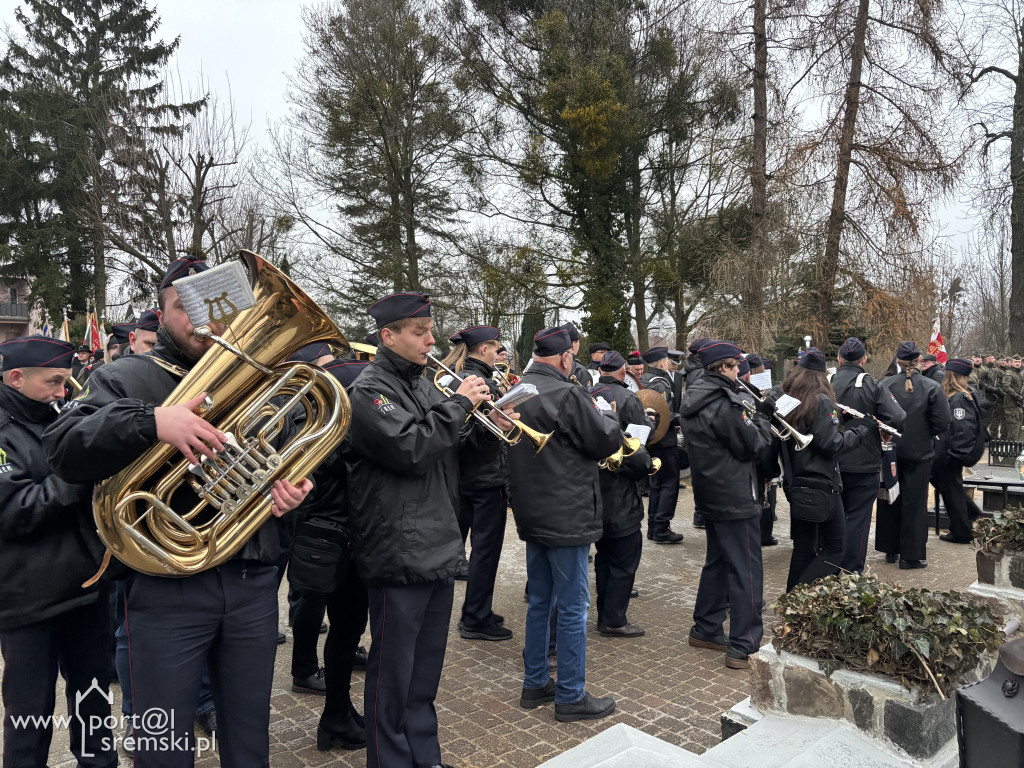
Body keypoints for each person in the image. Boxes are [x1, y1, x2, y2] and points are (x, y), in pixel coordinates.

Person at [44, 257, 314, 767]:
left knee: (250, 734)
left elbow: (290, 457)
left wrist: (292, 493)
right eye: (185, 307)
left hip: (252, 580)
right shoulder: (125, 376)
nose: (205, 320)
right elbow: (62, 448)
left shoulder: (264, 379)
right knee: (162, 745)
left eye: (218, 307)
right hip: (163, 587)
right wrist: (150, 421)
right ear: (162, 313)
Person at [344, 292, 508, 768]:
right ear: (388, 335)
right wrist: (459, 405)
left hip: (436, 543)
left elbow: (454, 455)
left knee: (424, 673)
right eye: (420, 332)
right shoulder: (370, 390)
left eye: (430, 331)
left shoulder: (428, 385)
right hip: (397, 547)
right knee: (393, 674)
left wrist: (486, 425)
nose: (431, 340)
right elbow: (411, 447)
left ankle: (424, 755)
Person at [0, 336, 115, 768]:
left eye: (66, 381)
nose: (63, 392)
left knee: (96, 713)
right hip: (28, 603)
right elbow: (13, 509)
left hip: (85, 590)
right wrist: (84, 474)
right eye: (54, 381)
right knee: (28, 720)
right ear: (16, 378)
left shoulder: (57, 415)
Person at [511, 327, 621, 721]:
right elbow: (606, 440)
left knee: (541, 601)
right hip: (568, 513)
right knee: (574, 606)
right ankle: (571, 696)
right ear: (564, 358)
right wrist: (606, 412)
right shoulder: (569, 393)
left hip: (533, 512)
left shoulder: (518, 390)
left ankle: (536, 682)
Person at [682, 340, 773, 670]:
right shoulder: (725, 402)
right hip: (736, 493)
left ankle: (705, 627)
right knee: (747, 569)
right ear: (722, 368)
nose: (739, 372)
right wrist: (761, 419)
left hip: (712, 491)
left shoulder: (695, 395)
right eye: (735, 366)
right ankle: (744, 644)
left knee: (719, 560)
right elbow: (754, 446)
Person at [300, 356, 372, 751]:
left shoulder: (323, 432)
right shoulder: (335, 439)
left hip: (335, 540)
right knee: (345, 632)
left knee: (346, 632)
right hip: (341, 542)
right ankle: (336, 716)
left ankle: (339, 711)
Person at [441, 325, 513, 642]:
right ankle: (475, 617)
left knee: (462, 548)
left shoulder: (454, 376)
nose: (500, 354)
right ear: (483, 349)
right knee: (485, 552)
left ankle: (474, 609)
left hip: (462, 478)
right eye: (496, 349)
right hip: (486, 477)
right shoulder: (478, 381)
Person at [779, 349, 870, 590]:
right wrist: (857, 433)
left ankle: (792, 600)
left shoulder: (786, 397)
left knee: (803, 548)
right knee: (835, 549)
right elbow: (832, 443)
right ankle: (801, 594)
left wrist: (840, 420)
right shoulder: (821, 400)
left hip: (797, 482)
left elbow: (815, 430)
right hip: (823, 485)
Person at [588, 351, 653, 638]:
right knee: (624, 560)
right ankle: (613, 619)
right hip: (621, 491)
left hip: (591, 490)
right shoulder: (629, 399)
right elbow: (639, 449)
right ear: (623, 371)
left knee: (603, 557)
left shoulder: (584, 394)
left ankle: (606, 612)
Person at [831, 338, 906, 573]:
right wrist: (883, 432)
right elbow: (898, 416)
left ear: (839, 359)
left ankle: (829, 567)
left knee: (835, 518)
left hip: (831, 459)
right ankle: (851, 570)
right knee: (858, 519)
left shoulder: (826, 381)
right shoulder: (872, 384)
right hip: (864, 461)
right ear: (864, 360)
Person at [875, 341, 951, 570]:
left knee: (890, 498)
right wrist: (928, 432)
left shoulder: (884, 384)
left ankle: (890, 548)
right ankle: (911, 555)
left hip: (891, 450)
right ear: (919, 361)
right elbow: (943, 422)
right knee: (915, 503)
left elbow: (877, 416)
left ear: (897, 361)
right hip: (920, 452)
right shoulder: (931, 387)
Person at [932, 358, 986, 544]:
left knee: (952, 492)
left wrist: (955, 456)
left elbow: (963, 431)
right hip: (950, 454)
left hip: (952, 455)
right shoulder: (958, 396)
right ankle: (970, 518)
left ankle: (962, 531)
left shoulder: (959, 399)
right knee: (952, 490)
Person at [641, 346, 684, 543]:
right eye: (667, 359)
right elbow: (663, 414)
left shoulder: (644, 380)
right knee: (669, 484)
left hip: (650, 439)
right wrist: (681, 419)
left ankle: (653, 526)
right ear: (661, 362)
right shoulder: (661, 383)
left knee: (657, 484)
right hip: (664, 440)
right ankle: (661, 527)